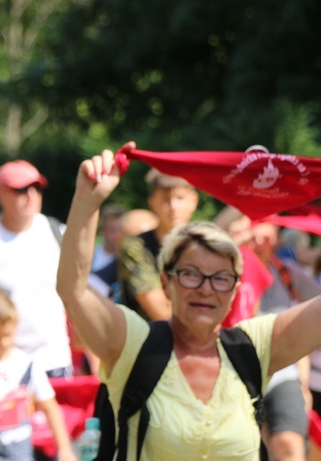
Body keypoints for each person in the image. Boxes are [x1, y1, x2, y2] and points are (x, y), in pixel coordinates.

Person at [56, 143, 321, 458]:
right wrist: (88, 202)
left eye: (221, 278)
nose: (206, 289)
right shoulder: (134, 344)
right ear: (166, 283)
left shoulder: (252, 348)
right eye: (191, 274)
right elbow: (73, 291)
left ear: (235, 289)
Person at [0, 292, 75, 461]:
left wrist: (65, 449)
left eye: (8, 335)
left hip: (21, 451)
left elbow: (50, 408)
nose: (3, 342)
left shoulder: (27, 364)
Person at [0, 160, 72, 377]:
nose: (31, 195)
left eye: (37, 187)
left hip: (54, 360)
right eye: (21, 189)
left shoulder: (57, 231)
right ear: (1, 193)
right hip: (3, 366)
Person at [248, 220, 319, 459]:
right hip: (236, 373)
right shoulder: (225, 272)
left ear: (276, 239)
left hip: (284, 373)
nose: (260, 245)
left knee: (288, 444)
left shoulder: (288, 273)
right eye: (253, 238)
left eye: (266, 239)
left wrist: (303, 381)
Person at [116, 168, 199, 321]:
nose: (173, 206)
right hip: (148, 339)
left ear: (193, 201)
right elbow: (161, 312)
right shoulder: (136, 247)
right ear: (152, 202)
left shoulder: (204, 244)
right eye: (166, 199)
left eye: (180, 198)